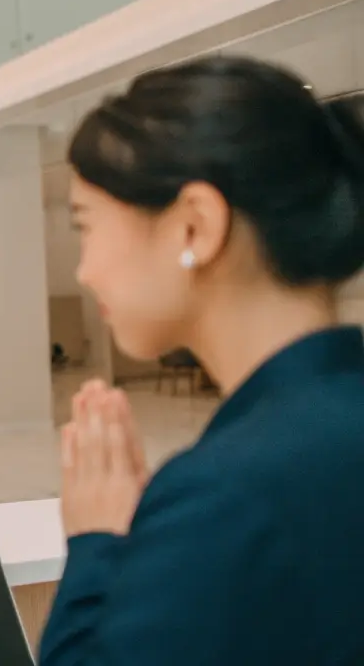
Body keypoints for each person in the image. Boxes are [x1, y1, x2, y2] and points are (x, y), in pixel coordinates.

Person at [40, 57, 364, 664]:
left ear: (195, 226)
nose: (82, 271)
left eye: (86, 226)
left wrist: (97, 541)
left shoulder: (224, 495)